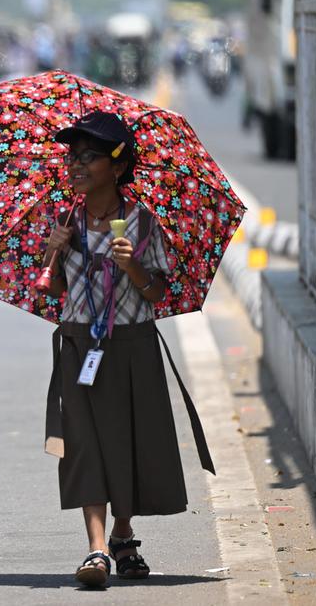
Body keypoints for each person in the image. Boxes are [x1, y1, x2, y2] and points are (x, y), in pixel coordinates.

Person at [40, 111, 213, 588]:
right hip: (78, 345)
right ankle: (96, 550)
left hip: (132, 347)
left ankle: (122, 535)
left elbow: (157, 292)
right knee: (83, 447)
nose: (75, 166)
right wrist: (52, 252)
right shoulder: (64, 220)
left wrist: (133, 267)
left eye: (87, 158)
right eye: (71, 157)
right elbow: (51, 291)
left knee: (129, 445)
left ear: (116, 167)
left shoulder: (141, 222)